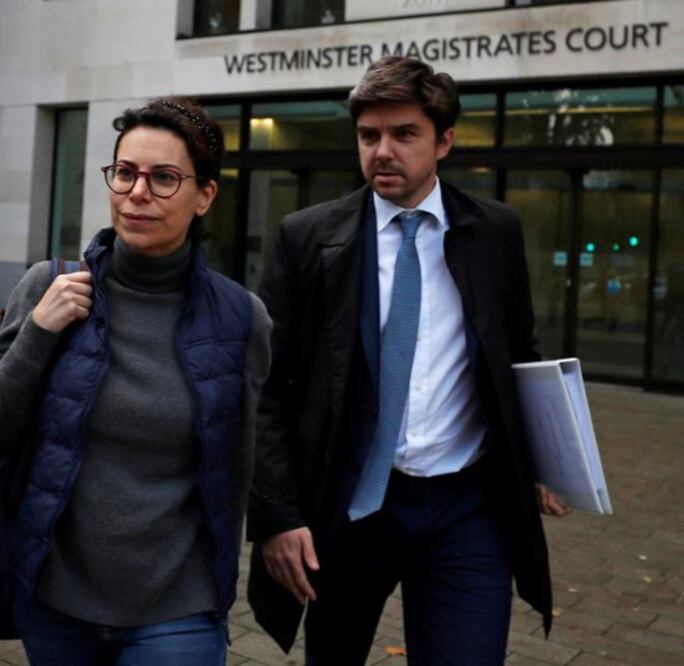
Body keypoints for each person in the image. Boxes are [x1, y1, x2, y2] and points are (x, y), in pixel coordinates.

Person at [247, 56, 571, 665]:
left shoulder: (495, 231)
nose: (382, 152)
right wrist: (275, 516)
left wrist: (545, 457)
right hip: (351, 508)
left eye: (404, 134)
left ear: (444, 141)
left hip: (466, 511)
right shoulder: (308, 237)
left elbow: (517, 357)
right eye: (369, 136)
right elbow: (266, 386)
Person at [0, 96, 271, 665]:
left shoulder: (241, 318)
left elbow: (245, 457)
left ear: (205, 196)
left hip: (180, 600)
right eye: (125, 172)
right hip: (55, 596)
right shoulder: (48, 286)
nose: (137, 192)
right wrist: (40, 332)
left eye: (164, 178)